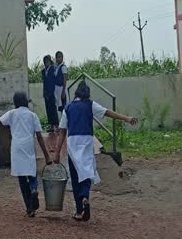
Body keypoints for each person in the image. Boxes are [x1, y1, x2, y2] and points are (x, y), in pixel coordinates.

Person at [54, 81, 137, 221]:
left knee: (75, 176)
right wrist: (126, 118)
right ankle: (85, 196)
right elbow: (108, 112)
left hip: (73, 143)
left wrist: (56, 153)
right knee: (87, 172)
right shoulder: (90, 104)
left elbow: (62, 132)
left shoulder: (67, 108)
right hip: (86, 141)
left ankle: (79, 210)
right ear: (87, 94)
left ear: (75, 94)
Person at [0, 92, 50, 217]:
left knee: (22, 179)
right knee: (32, 174)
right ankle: (34, 189)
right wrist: (47, 155)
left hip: (17, 147)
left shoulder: (12, 114)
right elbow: (39, 137)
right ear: (26, 102)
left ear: (15, 102)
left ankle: (29, 209)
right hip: (28, 146)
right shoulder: (33, 115)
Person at [41, 55, 59, 132]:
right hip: (46, 93)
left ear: (49, 61)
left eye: (47, 61)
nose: (46, 63)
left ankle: (56, 125)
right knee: (48, 109)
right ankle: (51, 126)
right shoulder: (43, 71)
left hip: (52, 92)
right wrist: (44, 93)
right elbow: (44, 83)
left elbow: (53, 82)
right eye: (45, 62)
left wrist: (51, 93)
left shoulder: (53, 68)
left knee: (53, 109)